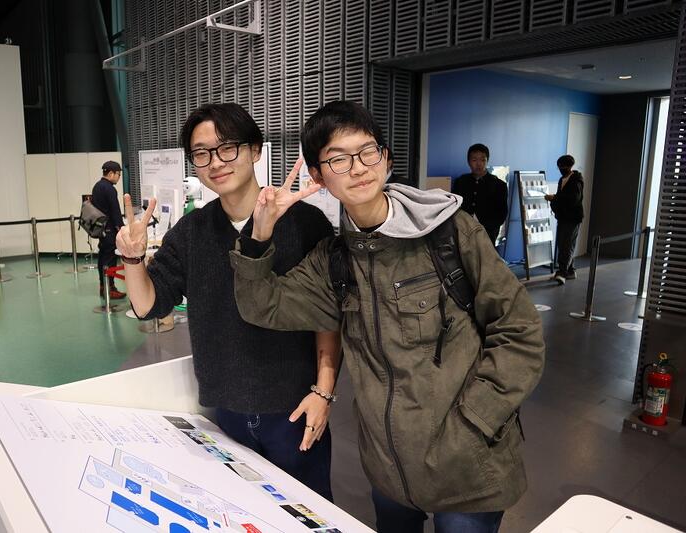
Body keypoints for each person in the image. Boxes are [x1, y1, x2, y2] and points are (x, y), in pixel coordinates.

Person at [230, 101, 545, 532]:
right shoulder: (334, 260)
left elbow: (519, 332)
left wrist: (476, 421)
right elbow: (261, 305)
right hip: (388, 470)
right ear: (319, 178)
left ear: (386, 159)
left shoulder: (451, 233)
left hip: (468, 468)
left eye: (367, 151)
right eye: (339, 159)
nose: (358, 167)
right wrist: (260, 231)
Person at [115, 103, 341, 501]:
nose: (216, 162)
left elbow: (328, 315)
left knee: (308, 514)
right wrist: (133, 260)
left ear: (255, 150)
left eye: (227, 147)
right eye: (202, 153)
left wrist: (323, 393)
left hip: (294, 407)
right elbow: (150, 305)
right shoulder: (192, 231)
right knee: (244, 513)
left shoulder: (305, 223)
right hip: (227, 412)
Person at [452, 143, 508, 245]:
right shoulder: (461, 182)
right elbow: (454, 206)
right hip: (462, 233)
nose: (478, 164)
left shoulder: (499, 185)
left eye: (483, 160)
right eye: (474, 160)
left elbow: (502, 214)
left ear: (487, 161)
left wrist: (487, 228)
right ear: (469, 162)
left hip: (487, 235)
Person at [545, 154, 584, 285]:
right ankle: (571, 270)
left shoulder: (577, 180)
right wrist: (554, 199)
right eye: (559, 167)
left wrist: (555, 198)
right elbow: (561, 197)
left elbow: (574, 199)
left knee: (567, 244)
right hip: (563, 217)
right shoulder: (562, 179)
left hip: (573, 218)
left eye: (562, 167)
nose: (561, 169)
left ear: (569, 166)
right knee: (564, 244)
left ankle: (562, 272)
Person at [91, 161, 126, 299]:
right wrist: (122, 229)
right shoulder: (110, 189)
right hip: (110, 230)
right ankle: (110, 288)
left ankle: (103, 285)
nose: (119, 177)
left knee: (103, 256)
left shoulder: (97, 186)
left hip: (101, 229)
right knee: (110, 258)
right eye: (118, 174)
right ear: (111, 173)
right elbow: (115, 211)